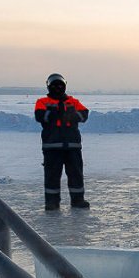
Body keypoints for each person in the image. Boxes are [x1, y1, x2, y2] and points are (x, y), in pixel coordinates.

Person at [34, 73, 90, 210]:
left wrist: (71, 114)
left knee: (76, 174)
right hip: (52, 146)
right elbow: (40, 116)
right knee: (52, 176)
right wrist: (55, 113)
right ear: (49, 87)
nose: (58, 88)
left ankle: (78, 200)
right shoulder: (42, 102)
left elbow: (84, 114)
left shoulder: (73, 101)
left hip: (72, 146)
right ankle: (52, 202)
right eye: (55, 85)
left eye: (60, 85)